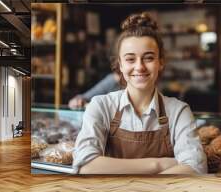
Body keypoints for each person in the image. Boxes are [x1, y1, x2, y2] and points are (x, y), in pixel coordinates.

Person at [72, 12, 207, 174]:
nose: (139, 67)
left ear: (161, 62)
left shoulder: (179, 111)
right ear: (120, 65)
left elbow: (195, 168)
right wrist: (157, 165)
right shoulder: (101, 105)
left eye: (148, 58)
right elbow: (85, 166)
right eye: (130, 59)